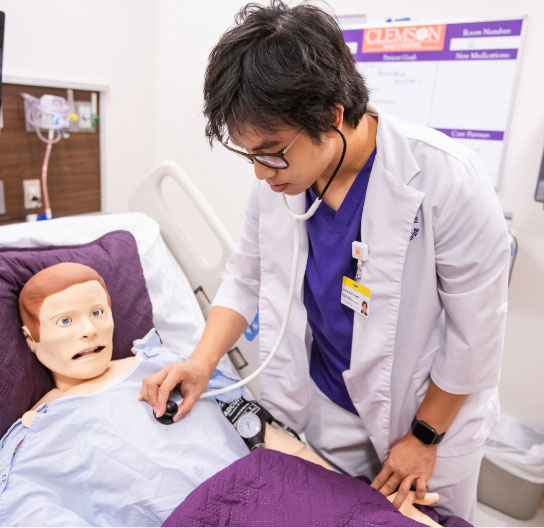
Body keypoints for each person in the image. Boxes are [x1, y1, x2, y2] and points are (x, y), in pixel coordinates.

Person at [140, 1, 510, 521]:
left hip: (424, 413)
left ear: (332, 116)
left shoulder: (445, 178)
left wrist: (425, 436)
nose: (260, 173)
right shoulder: (280, 183)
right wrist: (202, 362)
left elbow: (477, 336)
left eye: (271, 152)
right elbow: (245, 275)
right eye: (249, 155)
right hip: (326, 404)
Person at [1, 262, 440, 527]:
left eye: (98, 312)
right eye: (65, 322)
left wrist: (356, 497)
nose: (89, 329)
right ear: (30, 338)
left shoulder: (166, 366)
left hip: (272, 493)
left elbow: (260, 432)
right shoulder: (36, 433)